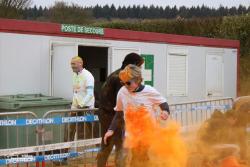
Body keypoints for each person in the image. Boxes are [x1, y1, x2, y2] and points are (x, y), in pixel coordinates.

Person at [104, 64, 170, 166]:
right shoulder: (122, 92)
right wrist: (110, 130)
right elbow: (119, 113)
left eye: (128, 83)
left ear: (138, 80)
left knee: (142, 159)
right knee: (131, 159)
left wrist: (165, 111)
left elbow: (164, 104)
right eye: (123, 82)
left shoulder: (149, 91)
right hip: (130, 135)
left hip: (147, 134)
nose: (125, 85)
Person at [97, 53, 144, 167]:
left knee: (106, 144)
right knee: (121, 145)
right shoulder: (122, 78)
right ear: (133, 64)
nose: (140, 69)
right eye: (139, 66)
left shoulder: (115, 74)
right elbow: (126, 100)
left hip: (106, 114)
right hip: (113, 115)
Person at [67, 56, 95, 140]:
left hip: (86, 107)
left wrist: (81, 104)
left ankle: (94, 148)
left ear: (80, 64)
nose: (72, 66)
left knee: (88, 131)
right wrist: (74, 104)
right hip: (76, 106)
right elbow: (76, 91)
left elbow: (90, 94)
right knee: (70, 129)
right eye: (71, 64)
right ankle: (67, 148)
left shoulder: (88, 75)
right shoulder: (74, 75)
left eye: (73, 64)